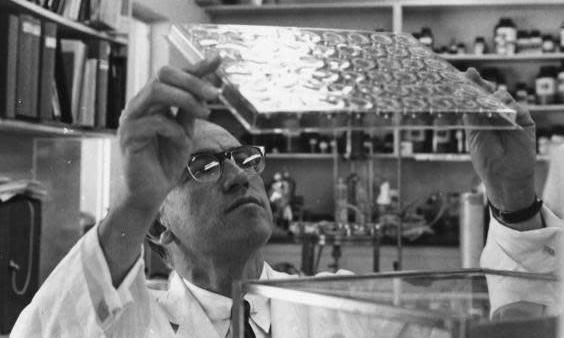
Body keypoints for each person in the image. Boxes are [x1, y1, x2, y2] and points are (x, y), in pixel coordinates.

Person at [10, 55, 562, 337]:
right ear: (158, 228)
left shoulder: (350, 311)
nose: (236, 175)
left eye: (244, 157)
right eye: (200, 166)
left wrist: (512, 195)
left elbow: (517, 328)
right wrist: (131, 206)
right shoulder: (140, 323)